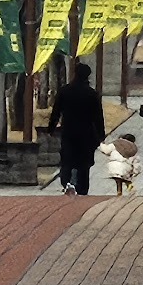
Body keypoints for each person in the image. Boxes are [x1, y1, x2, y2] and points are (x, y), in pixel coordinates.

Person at [47, 60, 105, 197]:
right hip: (86, 132)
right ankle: (82, 188)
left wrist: (51, 128)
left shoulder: (65, 91)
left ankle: (66, 182)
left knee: (67, 159)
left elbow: (56, 111)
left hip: (69, 131)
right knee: (83, 163)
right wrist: (101, 135)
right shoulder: (92, 94)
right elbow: (98, 116)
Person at [98, 132, 141, 196]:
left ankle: (119, 191)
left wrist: (101, 143)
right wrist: (135, 172)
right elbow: (136, 163)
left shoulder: (115, 144)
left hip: (114, 166)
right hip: (126, 168)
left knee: (118, 179)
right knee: (125, 177)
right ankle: (129, 186)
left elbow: (106, 150)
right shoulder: (133, 150)